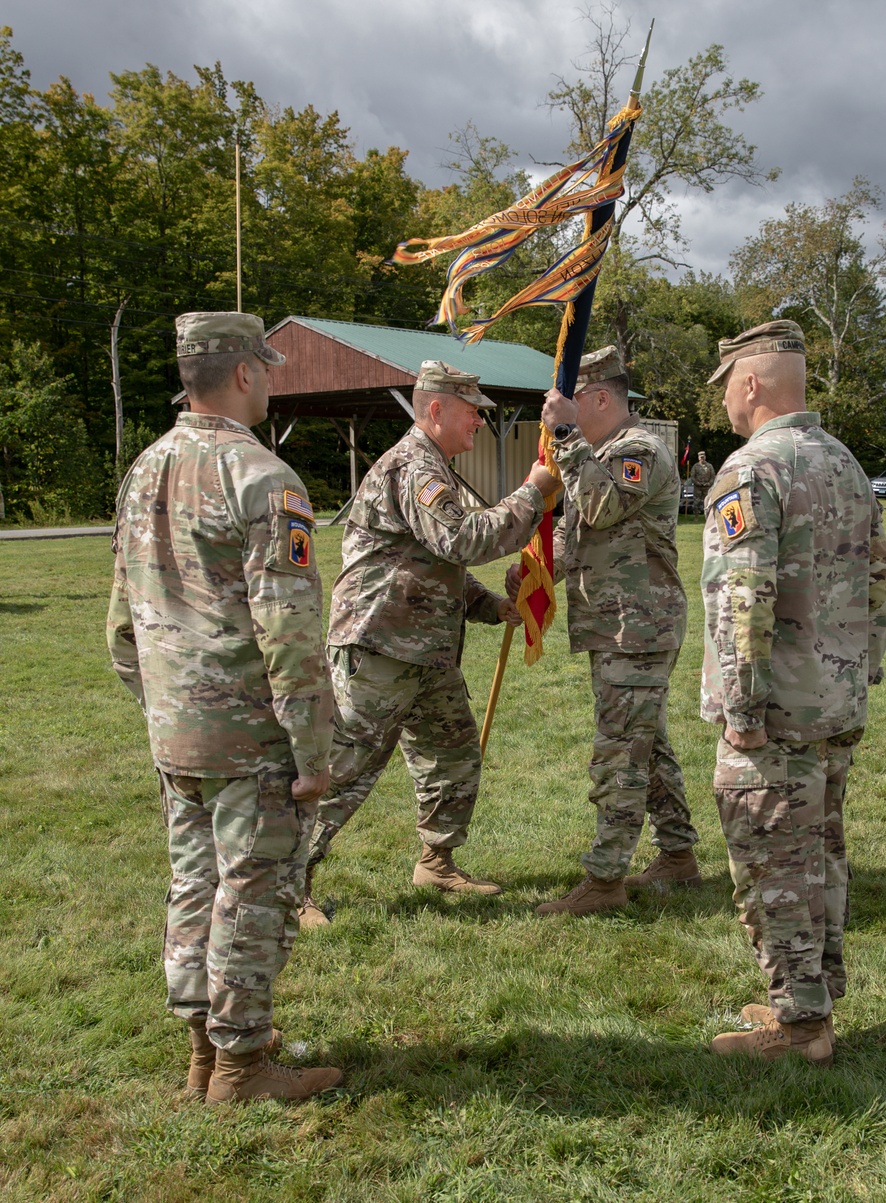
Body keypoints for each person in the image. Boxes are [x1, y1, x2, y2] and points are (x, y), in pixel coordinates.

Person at [107, 311, 343, 1103]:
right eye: (267, 368)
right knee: (249, 889)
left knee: (192, 880)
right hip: (249, 734)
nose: (271, 380)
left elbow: (120, 625)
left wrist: (163, 704)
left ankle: (203, 1053)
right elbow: (290, 629)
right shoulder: (263, 478)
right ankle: (241, 1065)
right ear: (243, 372)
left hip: (175, 728)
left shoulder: (143, 468)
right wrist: (313, 749)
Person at [700, 320, 886, 1065]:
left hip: (775, 713)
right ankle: (811, 993)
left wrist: (744, 710)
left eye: (726, 386)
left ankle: (800, 1025)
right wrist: (857, 669)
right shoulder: (843, 463)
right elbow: (882, 582)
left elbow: (740, 599)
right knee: (820, 853)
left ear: (749, 383)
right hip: (832, 702)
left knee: (772, 862)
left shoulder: (752, 470)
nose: (723, 401)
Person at [299, 360, 559, 924]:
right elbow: (463, 539)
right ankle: (289, 882)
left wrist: (490, 606)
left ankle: (436, 861)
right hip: (380, 650)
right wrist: (533, 493)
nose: (480, 424)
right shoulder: (415, 468)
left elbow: (437, 563)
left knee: (454, 756)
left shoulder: (434, 467)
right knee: (345, 768)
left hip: (427, 656)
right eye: (472, 412)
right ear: (435, 409)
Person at [507, 346, 701, 917]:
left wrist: (565, 438)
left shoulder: (638, 450)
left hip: (637, 626)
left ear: (597, 399)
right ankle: (678, 856)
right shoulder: (602, 452)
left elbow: (601, 507)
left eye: (563, 406)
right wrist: (542, 566)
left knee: (620, 752)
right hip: (618, 625)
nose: (553, 417)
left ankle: (605, 879)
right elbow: (579, 532)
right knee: (647, 743)